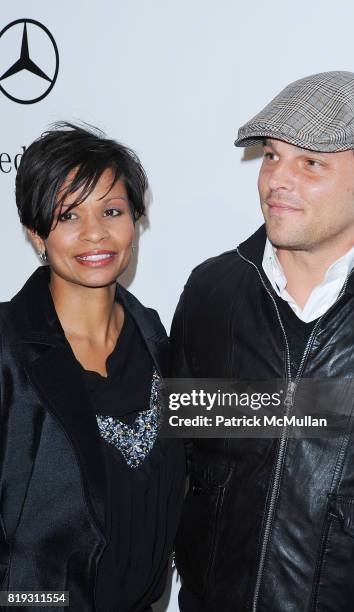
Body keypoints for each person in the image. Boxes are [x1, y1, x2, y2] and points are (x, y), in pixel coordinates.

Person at [171, 71, 354, 611]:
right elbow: (180, 471)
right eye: (272, 156)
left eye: (311, 163)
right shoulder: (212, 294)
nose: (278, 179)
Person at [0, 123, 185, 611]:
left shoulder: (154, 339)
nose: (95, 233)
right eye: (68, 216)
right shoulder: (8, 346)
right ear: (36, 232)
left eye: (111, 211)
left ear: (134, 221)